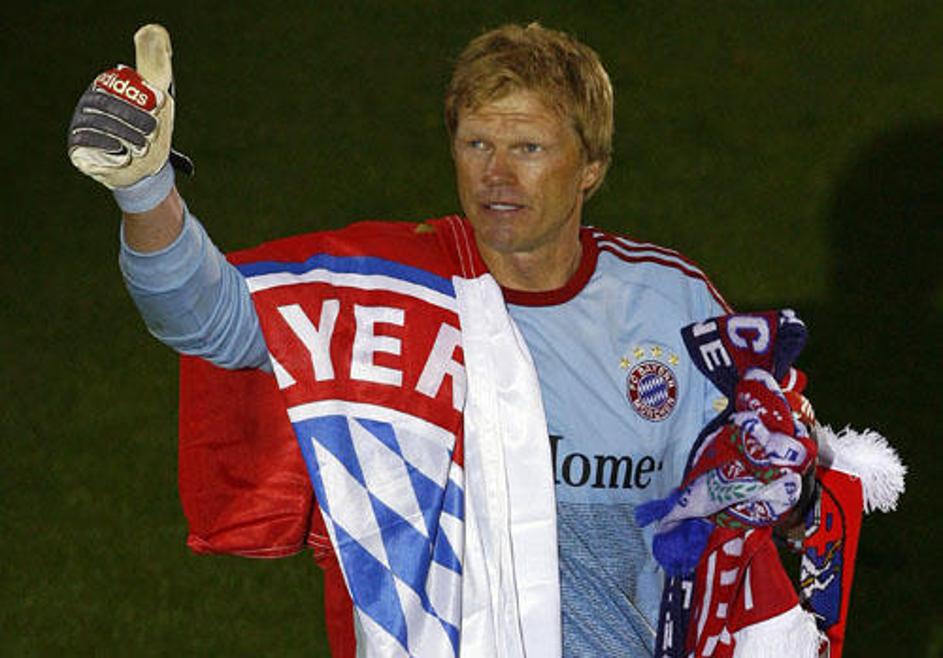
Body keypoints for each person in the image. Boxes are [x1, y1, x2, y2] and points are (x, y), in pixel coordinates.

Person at [68, 22, 733, 657]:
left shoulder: (669, 308)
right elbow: (203, 318)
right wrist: (144, 190)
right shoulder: (384, 295)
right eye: (477, 144)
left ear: (590, 166)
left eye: (528, 148)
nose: (496, 175)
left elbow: (753, 483)